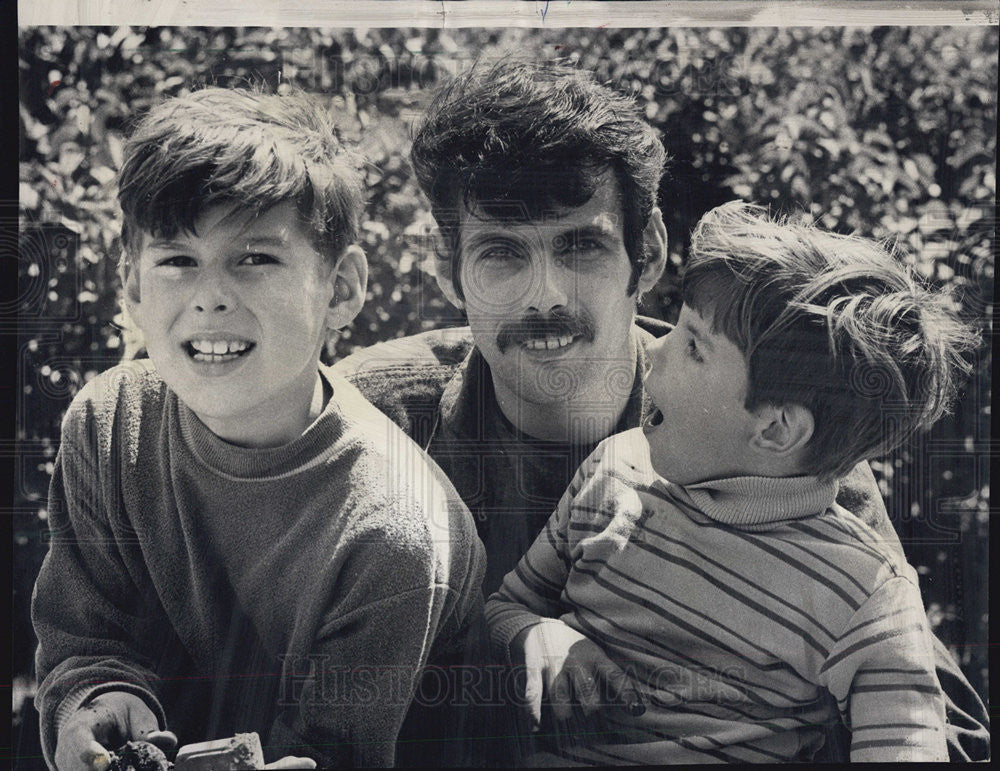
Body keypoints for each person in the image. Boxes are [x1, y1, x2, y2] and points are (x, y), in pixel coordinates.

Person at [331, 59, 989, 762]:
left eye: (580, 245)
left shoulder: (769, 436)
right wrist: (531, 633)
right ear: (446, 273)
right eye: (501, 254)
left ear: (646, 256)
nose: (545, 295)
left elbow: (942, 724)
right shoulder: (369, 424)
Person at [31, 87, 486, 770]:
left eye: (254, 258)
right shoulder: (107, 424)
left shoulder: (392, 530)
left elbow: (334, 752)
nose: (210, 294)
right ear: (131, 285)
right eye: (177, 260)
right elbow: (86, 641)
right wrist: (91, 700)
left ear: (342, 288)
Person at [485, 200, 978, 763]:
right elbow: (501, 609)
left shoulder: (866, 594)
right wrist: (537, 636)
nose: (657, 351)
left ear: (774, 428)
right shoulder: (613, 471)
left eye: (693, 346)